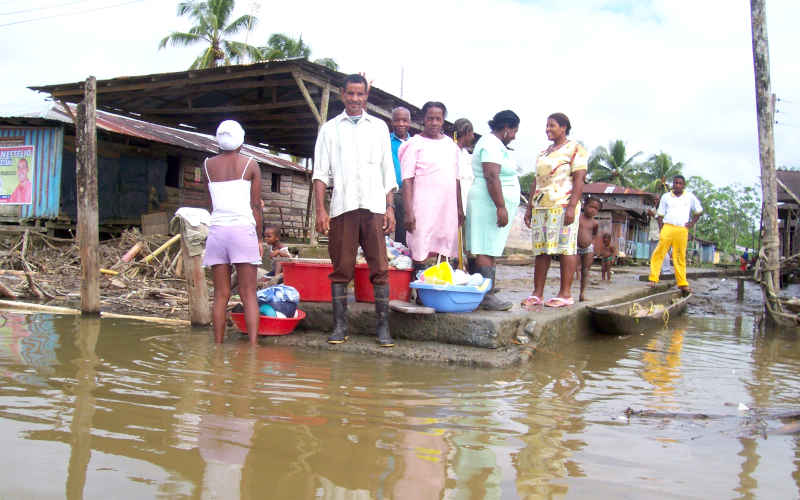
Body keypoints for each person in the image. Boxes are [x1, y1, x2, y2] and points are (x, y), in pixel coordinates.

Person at [313, 74, 397, 347]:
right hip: (343, 207)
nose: (355, 99)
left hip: (374, 206)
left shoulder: (379, 127)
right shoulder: (329, 129)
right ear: (342, 94)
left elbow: (388, 171)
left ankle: (383, 329)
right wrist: (320, 211)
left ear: (366, 95)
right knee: (341, 267)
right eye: (350, 94)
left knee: (380, 267)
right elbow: (320, 174)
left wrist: (389, 208)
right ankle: (340, 326)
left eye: (360, 94)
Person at [202, 120, 263, 344]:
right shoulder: (251, 165)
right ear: (241, 140)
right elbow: (255, 206)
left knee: (220, 295)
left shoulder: (207, 165)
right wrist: (258, 238)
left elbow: (210, 204)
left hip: (217, 232)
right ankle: (253, 348)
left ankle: (217, 346)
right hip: (242, 230)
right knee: (248, 294)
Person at [523, 113, 588, 308]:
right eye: (546, 126)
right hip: (542, 207)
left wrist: (572, 206)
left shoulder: (576, 149)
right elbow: (536, 180)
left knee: (565, 247)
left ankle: (565, 294)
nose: (548, 129)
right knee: (541, 250)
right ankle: (537, 293)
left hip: (563, 206)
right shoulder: (543, 154)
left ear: (564, 127)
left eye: (552, 126)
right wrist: (529, 207)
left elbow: (579, 179)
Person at [464, 110, 521, 311]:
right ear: (506, 128)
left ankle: (483, 291)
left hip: (490, 202)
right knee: (485, 247)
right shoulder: (490, 143)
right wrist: (500, 206)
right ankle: (486, 296)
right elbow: (491, 175)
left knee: (489, 247)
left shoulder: (495, 144)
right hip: (488, 203)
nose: (514, 136)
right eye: (514, 131)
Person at [399, 101, 462, 270]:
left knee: (445, 248)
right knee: (420, 248)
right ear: (423, 120)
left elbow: (456, 180)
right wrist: (408, 212)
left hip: (446, 210)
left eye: (438, 119)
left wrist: (459, 209)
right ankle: (419, 293)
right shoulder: (414, 144)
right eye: (430, 118)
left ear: (443, 121)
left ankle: (440, 289)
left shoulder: (451, 146)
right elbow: (407, 180)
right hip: (422, 208)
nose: (434, 123)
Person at [648, 175, 703, 292]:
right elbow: (660, 214)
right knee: (659, 252)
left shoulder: (689, 197)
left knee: (679, 256)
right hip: (667, 227)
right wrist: (661, 228)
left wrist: (692, 223)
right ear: (672, 184)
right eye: (675, 183)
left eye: (680, 183)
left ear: (684, 185)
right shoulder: (666, 197)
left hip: (682, 229)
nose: (677, 185)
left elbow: (698, 211)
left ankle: (682, 283)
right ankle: (653, 278)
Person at [390, 107, 411, 246]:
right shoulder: (385, 141)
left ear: (409, 122)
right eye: (397, 120)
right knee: (385, 230)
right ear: (392, 122)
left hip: (408, 194)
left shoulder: (415, 143)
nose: (401, 123)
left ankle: (404, 262)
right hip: (389, 193)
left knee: (404, 234)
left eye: (404, 120)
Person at [577, 197, 601, 302]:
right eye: (591, 207)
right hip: (575, 247)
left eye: (596, 209)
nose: (593, 210)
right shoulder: (578, 218)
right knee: (572, 268)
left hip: (588, 248)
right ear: (584, 206)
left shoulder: (595, 223)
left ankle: (582, 293)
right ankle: (566, 291)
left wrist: (593, 243)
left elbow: (595, 234)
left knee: (586, 271)